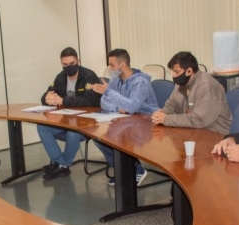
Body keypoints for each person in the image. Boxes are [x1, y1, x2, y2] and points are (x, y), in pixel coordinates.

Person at [91, 48, 159, 186]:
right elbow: (103, 101)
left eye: (112, 65)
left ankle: (137, 170)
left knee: (118, 135)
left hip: (147, 122)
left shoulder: (140, 82)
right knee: (99, 137)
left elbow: (132, 107)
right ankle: (123, 170)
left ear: (122, 65)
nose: (109, 69)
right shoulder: (116, 80)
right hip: (128, 120)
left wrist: (110, 94)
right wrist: (118, 108)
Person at [37, 47, 101, 180]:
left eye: (71, 64)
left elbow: (90, 101)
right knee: (42, 127)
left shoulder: (89, 76)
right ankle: (61, 162)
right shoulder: (61, 77)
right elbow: (47, 94)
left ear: (78, 61)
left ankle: (62, 166)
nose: (68, 67)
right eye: (65, 65)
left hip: (87, 121)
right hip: (66, 119)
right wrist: (46, 98)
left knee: (73, 133)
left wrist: (63, 100)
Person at [151, 51, 232, 135]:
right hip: (193, 130)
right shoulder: (182, 83)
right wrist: (160, 115)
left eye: (177, 71)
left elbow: (199, 120)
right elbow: (171, 105)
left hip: (214, 133)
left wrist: (166, 119)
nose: (173, 75)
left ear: (189, 71)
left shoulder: (206, 86)